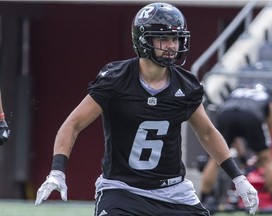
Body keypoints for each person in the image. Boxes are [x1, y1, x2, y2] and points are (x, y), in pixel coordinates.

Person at [35, 3, 259, 215]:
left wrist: (238, 178)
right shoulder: (116, 79)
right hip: (122, 189)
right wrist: (57, 170)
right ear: (143, 40)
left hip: (173, 191)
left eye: (175, 38)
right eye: (163, 38)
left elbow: (207, 133)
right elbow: (73, 124)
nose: (172, 45)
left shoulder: (186, 85)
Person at [200, 84, 272, 215]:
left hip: (226, 114)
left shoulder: (237, 92)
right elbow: (270, 124)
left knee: (214, 160)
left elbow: (235, 134)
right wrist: (261, 153)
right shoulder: (268, 96)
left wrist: (243, 156)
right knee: (267, 162)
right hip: (251, 116)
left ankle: (202, 201)